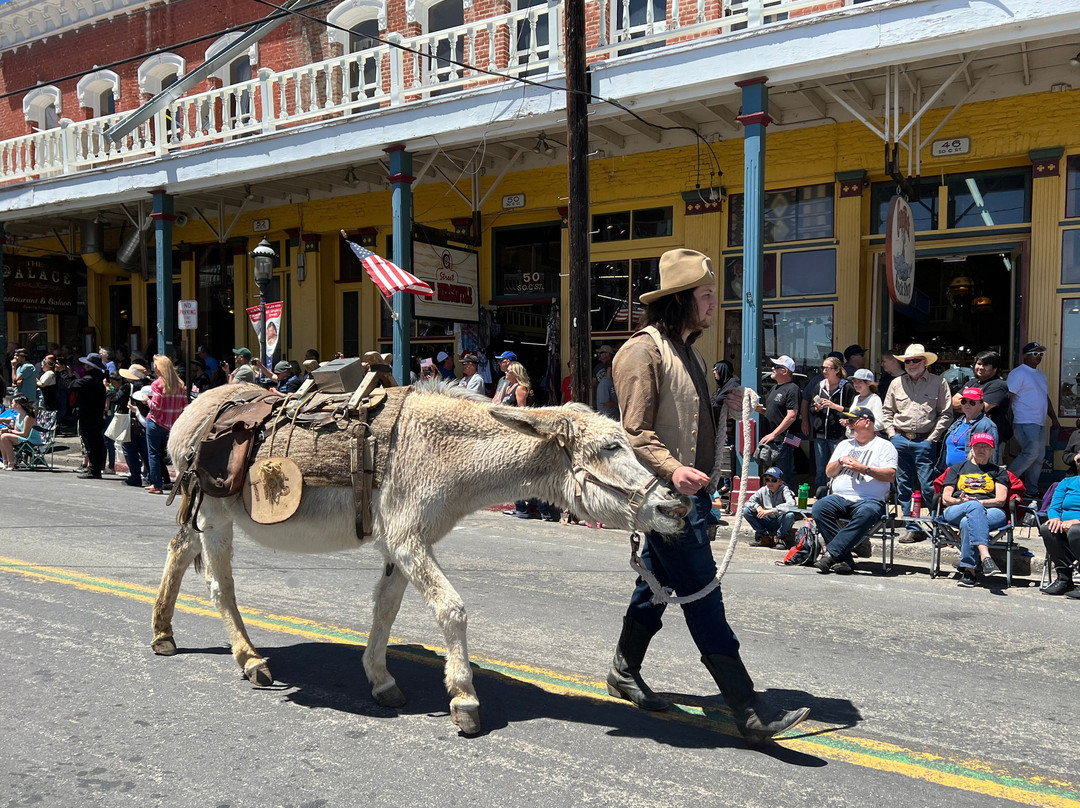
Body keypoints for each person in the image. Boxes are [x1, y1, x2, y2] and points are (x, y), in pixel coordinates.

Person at [609, 247, 809, 742]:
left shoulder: (690, 353)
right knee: (702, 594)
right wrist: (675, 471)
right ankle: (746, 705)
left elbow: (690, 418)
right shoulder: (642, 352)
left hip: (687, 495)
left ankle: (622, 669)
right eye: (706, 295)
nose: (714, 304)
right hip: (665, 497)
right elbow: (635, 433)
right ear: (679, 300)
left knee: (655, 587)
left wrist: (728, 403)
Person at [811, 407, 898, 574]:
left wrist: (864, 469)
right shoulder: (844, 445)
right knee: (819, 507)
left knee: (867, 512)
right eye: (848, 421)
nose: (848, 425)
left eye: (852, 421)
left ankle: (832, 554)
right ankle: (843, 558)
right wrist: (841, 461)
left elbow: (890, 475)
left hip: (870, 500)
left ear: (867, 422)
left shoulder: (884, 446)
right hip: (840, 497)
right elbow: (829, 472)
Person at [882, 343, 953, 544]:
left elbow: (946, 413)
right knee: (903, 486)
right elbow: (887, 411)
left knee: (929, 486)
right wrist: (892, 435)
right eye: (907, 361)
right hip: (900, 439)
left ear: (924, 362)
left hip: (925, 440)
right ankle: (913, 528)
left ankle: (937, 526)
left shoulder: (939, 382)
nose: (910, 364)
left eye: (915, 360)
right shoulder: (896, 383)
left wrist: (933, 438)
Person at [938, 432, 1007, 587]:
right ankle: (984, 555)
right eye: (977, 445)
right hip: (957, 508)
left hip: (991, 510)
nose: (981, 449)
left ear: (992, 450)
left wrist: (980, 503)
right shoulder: (956, 468)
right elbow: (946, 498)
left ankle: (969, 571)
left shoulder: (999, 472)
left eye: (986, 446)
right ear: (971, 448)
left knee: (967, 521)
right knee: (972, 507)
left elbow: (1001, 500)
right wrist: (961, 501)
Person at [1008, 341, 1061, 498]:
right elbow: (1010, 396)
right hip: (1024, 420)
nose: (1039, 357)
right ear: (1025, 356)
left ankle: (1031, 490)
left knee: (1038, 457)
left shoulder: (1041, 375)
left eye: (1041, 354)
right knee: (1030, 453)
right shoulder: (1018, 373)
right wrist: (1007, 419)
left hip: (1039, 422)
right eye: (1035, 354)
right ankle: (1004, 480)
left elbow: (1045, 398)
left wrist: (1054, 419)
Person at [807, 354, 856, 491]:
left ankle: (837, 493)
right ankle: (820, 495)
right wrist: (816, 408)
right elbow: (811, 408)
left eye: (827, 368)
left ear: (836, 370)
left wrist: (834, 406)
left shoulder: (846, 387)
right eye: (822, 368)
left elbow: (851, 411)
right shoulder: (820, 385)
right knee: (820, 468)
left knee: (837, 466)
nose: (824, 371)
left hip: (838, 433)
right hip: (820, 433)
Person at [145, 355, 187, 495]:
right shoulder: (180, 385)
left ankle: (157, 484)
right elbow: (184, 406)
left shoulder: (157, 384)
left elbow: (155, 406)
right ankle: (180, 484)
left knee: (154, 454)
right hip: (174, 425)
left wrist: (147, 400)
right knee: (176, 455)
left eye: (155, 366)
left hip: (156, 423)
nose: (154, 368)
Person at [754, 356, 800, 484]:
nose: (772, 369)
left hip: (784, 441)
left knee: (783, 476)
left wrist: (774, 434)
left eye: (776, 367)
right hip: (772, 440)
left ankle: (788, 501)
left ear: (785, 371)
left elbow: (792, 415)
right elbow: (772, 411)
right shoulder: (775, 388)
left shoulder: (793, 389)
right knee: (771, 475)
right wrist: (759, 410)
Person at [1039, 474, 1080, 597]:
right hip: (1064, 527)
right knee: (1047, 529)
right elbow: (1054, 507)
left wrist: (1077, 521)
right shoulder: (1067, 482)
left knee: (1075, 531)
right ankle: (1064, 579)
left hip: (1076, 529)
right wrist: (1055, 519)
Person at [70, 353, 108, 479]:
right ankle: (95, 467)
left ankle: (94, 469)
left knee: (91, 443)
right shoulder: (99, 377)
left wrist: (67, 375)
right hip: (95, 414)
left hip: (89, 414)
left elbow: (71, 385)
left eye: (87, 364)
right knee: (95, 442)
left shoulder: (90, 379)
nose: (85, 366)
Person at [939, 387, 999, 468]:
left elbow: (992, 455)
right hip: (950, 473)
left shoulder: (987, 425)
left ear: (981, 405)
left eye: (972, 402)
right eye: (964, 402)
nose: (967, 405)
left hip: (971, 475)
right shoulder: (957, 423)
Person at [963, 350, 1012, 444]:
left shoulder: (999, 385)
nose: (981, 367)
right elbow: (953, 402)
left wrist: (964, 404)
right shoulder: (971, 383)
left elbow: (981, 409)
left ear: (995, 368)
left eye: (986, 365)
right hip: (967, 434)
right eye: (979, 364)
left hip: (989, 439)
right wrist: (973, 405)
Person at [741, 466, 797, 548]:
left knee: (790, 515)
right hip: (766, 519)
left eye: (773, 480)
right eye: (767, 480)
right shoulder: (763, 490)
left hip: (780, 520)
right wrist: (758, 507)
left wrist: (772, 510)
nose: (770, 483)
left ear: (780, 482)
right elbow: (748, 502)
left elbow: (792, 504)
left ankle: (781, 537)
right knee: (746, 511)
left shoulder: (785, 490)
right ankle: (764, 536)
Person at [119, 363, 150, 487]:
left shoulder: (130, 387)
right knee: (145, 451)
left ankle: (135, 476)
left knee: (130, 449)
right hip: (146, 422)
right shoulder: (149, 386)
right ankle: (151, 476)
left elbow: (117, 399)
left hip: (134, 421)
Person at [0, 395, 40, 470]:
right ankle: (5, 461)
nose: (11, 405)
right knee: (1, 435)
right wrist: (7, 430)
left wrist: (9, 431)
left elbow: (25, 434)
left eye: (12, 403)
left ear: (18, 405)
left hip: (31, 439)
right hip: (22, 437)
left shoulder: (28, 417)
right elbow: (17, 431)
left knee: (4, 437)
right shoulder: (18, 415)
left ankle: (11, 462)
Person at [848, 368, 884, 435]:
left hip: (868, 440)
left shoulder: (875, 399)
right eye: (854, 381)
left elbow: (879, 424)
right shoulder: (856, 398)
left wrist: (859, 425)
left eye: (860, 381)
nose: (856, 384)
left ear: (868, 383)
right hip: (854, 439)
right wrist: (848, 422)